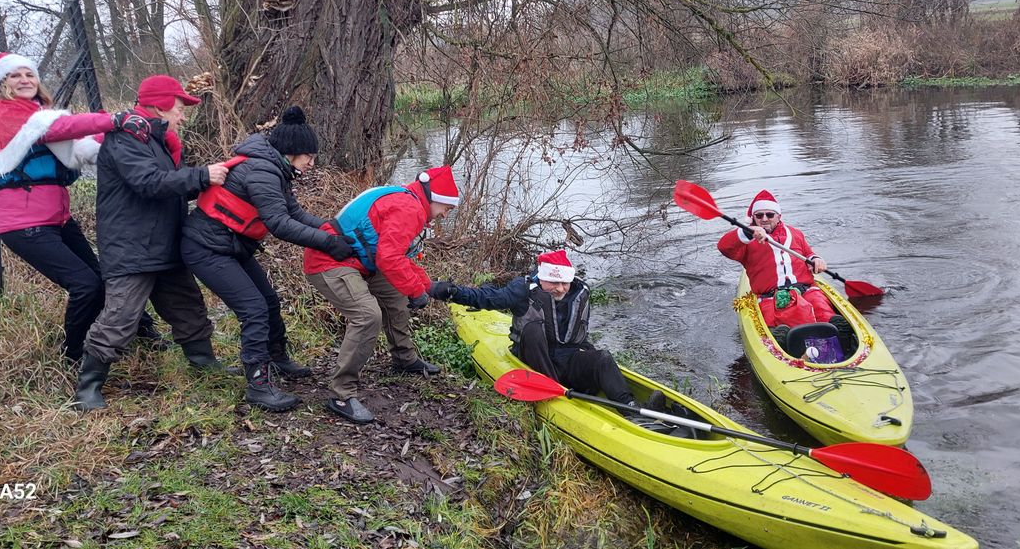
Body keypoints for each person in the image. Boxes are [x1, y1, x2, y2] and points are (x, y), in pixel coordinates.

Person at [0, 52, 165, 362]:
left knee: (102, 277)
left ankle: (142, 331)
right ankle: (75, 354)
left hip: (57, 219)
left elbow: (69, 134)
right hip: (24, 226)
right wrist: (113, 119)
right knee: (86, 286)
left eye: (30, 74)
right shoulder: (1, 113)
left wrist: (108, 134)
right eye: (16, 75)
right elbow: (58, 129)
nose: (25, 80)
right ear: (2, 83)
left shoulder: (37, 111)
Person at [72, 75, 235, 411]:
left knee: (187, 306)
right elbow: (148, 182)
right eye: (179, 108)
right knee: (120, 317)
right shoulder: (126, 140)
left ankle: (204, 364)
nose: (183, 116)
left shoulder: (155, 139)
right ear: (160, 104)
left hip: (163, 244)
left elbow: (168, 186)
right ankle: (88, 388)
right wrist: (202, 175)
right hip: (132, 248)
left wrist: (202, 185)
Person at [181, 107, 356, 411]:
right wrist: (329, 243)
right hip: (206, 248)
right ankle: (258, 386)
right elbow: (280, 224)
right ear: (291, 153)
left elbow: (294, 212)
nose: (312, 164)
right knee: (254, 309)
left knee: (268, 301)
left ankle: (277, 359)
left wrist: (333, 227)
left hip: (230, 246)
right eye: (309, 158)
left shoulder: (274, 167)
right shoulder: (262, 171)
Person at [303, 166, 458, 424]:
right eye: (446, 208)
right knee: (367, 315)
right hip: (327, 262)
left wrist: (425, 286)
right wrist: (415, 290)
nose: (445, 214)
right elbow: (389, 259)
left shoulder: (409, 200)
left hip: (358, 261)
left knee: (396, 296)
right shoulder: (409, 208)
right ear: (434, 197)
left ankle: (404, 358)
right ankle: (341, 394)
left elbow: (398, 257)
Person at [430, 250, 663, 411]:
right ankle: (554, 388)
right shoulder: (523, 290)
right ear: (542, 278)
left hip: (568, 359)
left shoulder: (579, 292)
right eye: (553, 282)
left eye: (564, 283)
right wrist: (453, 292)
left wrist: (588, 360)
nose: (560, 288)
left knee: (602, 357)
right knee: (533, 330)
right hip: (534, 356)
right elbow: (489, 297)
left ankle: (631, 408)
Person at [716, 189, 843, 338]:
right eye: (759, 215)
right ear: (754, 218)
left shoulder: (795, 233)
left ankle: (838, 328)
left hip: (806, 289)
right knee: (777, 322)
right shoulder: (746, 241)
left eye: (769, 215)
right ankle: (782, 338)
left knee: (822, 308)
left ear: (778, 216)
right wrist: (748, 232)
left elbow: (808, 254)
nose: (764, 219)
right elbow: (724, 247)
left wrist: (816, 259)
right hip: (770, 296)